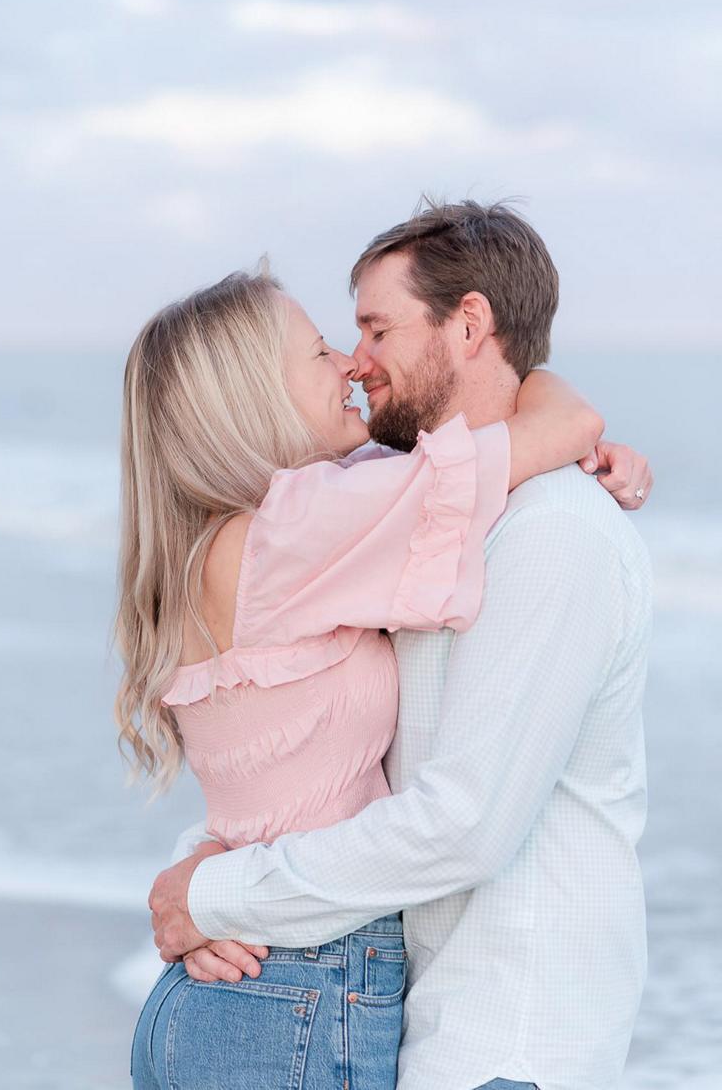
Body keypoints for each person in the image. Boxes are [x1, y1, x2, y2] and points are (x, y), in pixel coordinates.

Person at [148, 202, 653, 1090]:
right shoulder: (388, 523)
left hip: (505, 1049)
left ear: (470, 323)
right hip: (381, 1021)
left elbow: (462, 825)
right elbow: (307, 755)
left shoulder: (549, 533)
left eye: (378, 329)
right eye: (340, 341)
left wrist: (213, 892)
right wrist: (207, 868)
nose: (358, 360)